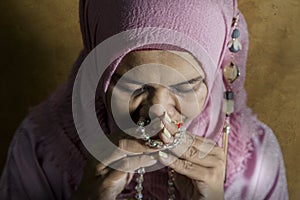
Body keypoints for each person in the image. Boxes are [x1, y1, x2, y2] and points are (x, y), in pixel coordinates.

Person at [0, 0, 288, 199]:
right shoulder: (40, 150)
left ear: (213, 73)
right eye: (132, 85)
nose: (157, 113)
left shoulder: (256, 163)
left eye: (187, 87)